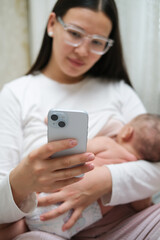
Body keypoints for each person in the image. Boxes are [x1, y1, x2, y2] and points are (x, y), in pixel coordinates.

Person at [1, 0, 160, 239]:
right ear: (52, 24)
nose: (83, 51)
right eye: (75, 34)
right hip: (49, 228)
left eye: (97, 42)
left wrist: (105, 180)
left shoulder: (119, 91)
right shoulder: (17, 94)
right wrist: (22, 178)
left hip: (121, 226)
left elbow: (156, 169)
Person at [25, 113, 160, 239]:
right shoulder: (137, 175)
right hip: (71, 223)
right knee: (31, 231)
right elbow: (141, 206)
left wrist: (59, 131)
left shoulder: (107, 144)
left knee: (20, 222)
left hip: (53, 194)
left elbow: (74, 149)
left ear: (127, 132)